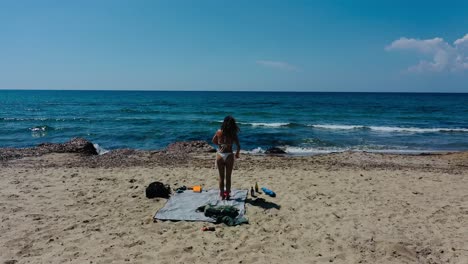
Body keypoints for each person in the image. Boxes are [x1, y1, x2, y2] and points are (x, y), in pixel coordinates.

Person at [212, 116, 240, 200]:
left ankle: (221, 195)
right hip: (229, 155)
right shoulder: (233, 134)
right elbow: (238, 146)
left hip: (220, 155)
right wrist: (237, 154)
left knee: (221, 177)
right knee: (228, 177)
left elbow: (213, 140)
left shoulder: (218, 132)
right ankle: (227, 195)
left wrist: (220, 145)